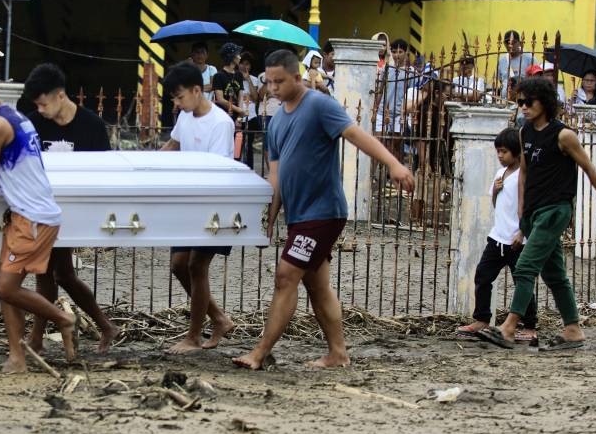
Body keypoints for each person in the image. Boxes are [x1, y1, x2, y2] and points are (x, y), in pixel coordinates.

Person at [232, 49, 416, 370]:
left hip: (323, 212)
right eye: (269, 82)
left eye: (280, 81)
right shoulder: (276, 124)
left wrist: (394, 165)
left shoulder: (319, 105)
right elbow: (276, 176)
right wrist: (269, 220)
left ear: (297, 78)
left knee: (286, 276)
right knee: (317, 286)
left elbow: (356, 134)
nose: (273, 88)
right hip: (299, 216)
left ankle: (259, 353)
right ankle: (338, 353)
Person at [476, 77, 596, 351]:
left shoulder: (563, 135)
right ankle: (573, 330)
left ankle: (508, 328)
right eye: (520, 102)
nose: (523, 107)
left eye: (528, 102)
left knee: (526, 266)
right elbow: (525, 175)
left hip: (555, 211)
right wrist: (522, 213)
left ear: (544, 102)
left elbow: (590, 169)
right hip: (534, 213)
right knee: (555, 274)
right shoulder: (524, 133)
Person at [0, 66, 76, 373]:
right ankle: (17, 358)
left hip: (32, 219)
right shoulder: (17, 117)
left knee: (7, 288)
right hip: (28, 215)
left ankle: (63, 319)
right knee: (4, 285)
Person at [23, 63, 121, 353]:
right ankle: (104, 326)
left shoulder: (91, 126)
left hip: (76, 209)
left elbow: (103, 170)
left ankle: (37, 340)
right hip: (42, 207)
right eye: (36, 105)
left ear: (60, 95)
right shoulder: (33, 124)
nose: (40, 110)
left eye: (43, 104)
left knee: (51, 272)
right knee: (60, 273)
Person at [159, 63, 235, 354]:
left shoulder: (221, 123)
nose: (176, 104)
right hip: (189, 201)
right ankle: (218, 318)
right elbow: (172, 146)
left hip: (215, 203)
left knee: (195, 265)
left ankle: (193, 337)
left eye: (179, 97)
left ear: (195, 90)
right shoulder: (186, 117)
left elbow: (217, 171)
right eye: (174, 100)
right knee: (179, 265)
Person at [455, 128, 538, 342]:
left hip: (518, 240)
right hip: (497, 237)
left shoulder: (524, 175)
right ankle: (482, 319)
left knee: (522, 281)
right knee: (483, 275)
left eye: (504, 152)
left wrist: (522, 232)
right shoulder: (500, 174)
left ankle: (529, 326)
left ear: (517, 152)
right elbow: (496, 205)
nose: (500, 156)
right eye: (498, 152)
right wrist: (495, 191)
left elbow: (529, 207)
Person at [375, 38, 421, 137]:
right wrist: (375, 108)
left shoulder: (411, 72)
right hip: (382, 112)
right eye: (394, 52)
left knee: (395, 147)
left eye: (400, 52)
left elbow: (413, 96)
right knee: (380, 142)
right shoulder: (386, 69)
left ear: (406, 52)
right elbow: (380, 91)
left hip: (399, 114)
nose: (397, 55)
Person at [239, 50, 263, 169]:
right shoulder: (234, 78)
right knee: (237, 145)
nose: (244, 66)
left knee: (249, 146)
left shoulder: (254, 79)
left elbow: (255, 98)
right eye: (242, 63)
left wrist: (248, 79)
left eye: (247, 64)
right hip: (238, 116)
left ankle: (250, 169)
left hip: (251, 116)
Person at [496, 31, 535, 99]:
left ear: (520, 43)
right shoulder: (502, 60)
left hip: (523, 100)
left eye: (513, 42)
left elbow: (535, 79)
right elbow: (501, 80)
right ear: (504, 44)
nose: (510, 45)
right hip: (505, 99)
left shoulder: (529, 58)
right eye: (507, 43)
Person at [212, 43, 246, 119]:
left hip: (237, 115)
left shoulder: (239, 75)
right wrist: (238, 109)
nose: (240, 57)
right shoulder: (218, 76)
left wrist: (239, 116)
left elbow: (240, 95)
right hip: (223, 114)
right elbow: (220, 99)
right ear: (231, 56)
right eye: (238, 55)